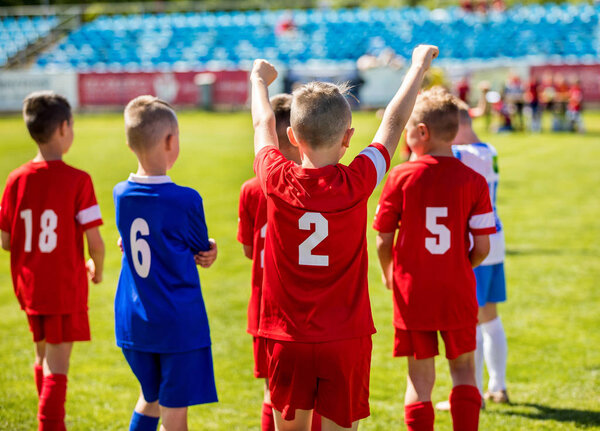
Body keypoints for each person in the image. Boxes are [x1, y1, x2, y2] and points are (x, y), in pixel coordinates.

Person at [249, 44, 439, 431]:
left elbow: (261, 127)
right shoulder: (357, 182)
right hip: (345, 337)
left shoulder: (274, 178)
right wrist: (417, 67)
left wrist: (257, 81)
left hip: (288, 337)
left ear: (293, 136)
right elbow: (393, 122)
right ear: (348, 137)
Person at [373, 87, 496, 431]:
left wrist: (388, 273)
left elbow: (383, 238)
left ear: (421, 133)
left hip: (413, 291)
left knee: (419, 379)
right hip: (456, 288)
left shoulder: (399, 177)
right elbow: (483, 246)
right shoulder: (473, 179)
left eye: (406, 128)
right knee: (464, 371)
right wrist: (459, 266)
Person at [0, 91, 105, 430]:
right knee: (57, 370)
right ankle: (49, 424)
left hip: (30, 288)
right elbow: (96, 244)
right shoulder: (78, 180)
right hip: (63, 288)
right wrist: (96, 268)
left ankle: (45, 418)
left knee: (42, 358)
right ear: (63, 128)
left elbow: (5, 240)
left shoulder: (15, 179)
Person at [113, 95, 218, 431]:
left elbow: (132, 239)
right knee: (175, 413)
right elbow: (200, 249)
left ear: (130, 144)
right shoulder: (186, 198)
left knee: (151, 398)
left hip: (134, 321)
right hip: (176, 321)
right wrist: (211, 249)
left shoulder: (121, 194)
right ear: (171, 142)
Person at [238, 94, 321, 431]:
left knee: (273, 393)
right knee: (312, 397)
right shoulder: (317, 186)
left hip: (265, 310)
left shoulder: (252, 188)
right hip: (309, 309)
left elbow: (247, 249)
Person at [435, 99, 510, 413]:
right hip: (496, 240)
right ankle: (498, 386)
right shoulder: (489, 150)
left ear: (460, 126)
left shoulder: (462, 154)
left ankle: (474, 393)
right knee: (490, 319)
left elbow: (431, 155)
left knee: (473, 322)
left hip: (474, 242)